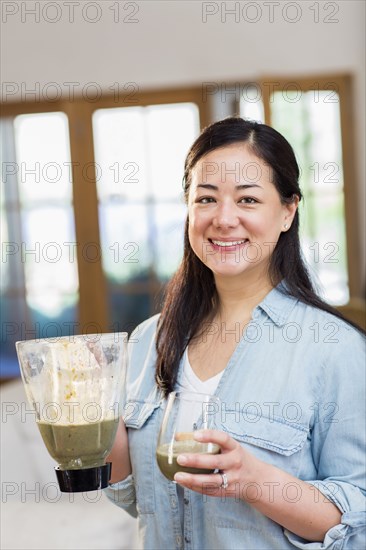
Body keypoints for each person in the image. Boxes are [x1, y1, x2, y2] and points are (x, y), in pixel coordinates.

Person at [105, 117, 366, 549]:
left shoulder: (336, 350)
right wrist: (91, 422)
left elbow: (358, 518)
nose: (224, 219)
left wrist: (255, 481)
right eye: (206, 199)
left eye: (247, 199)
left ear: (287, 211)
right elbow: (135, 497)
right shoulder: (147, 341)